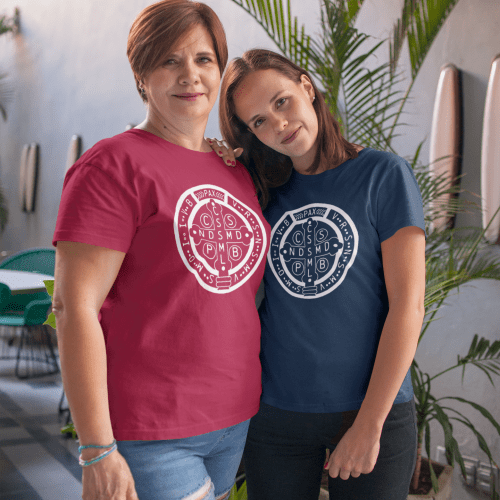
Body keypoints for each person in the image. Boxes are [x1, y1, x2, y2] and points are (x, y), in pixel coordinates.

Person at [51, 4, 270, 500]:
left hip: (234, 415)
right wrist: (97, 448)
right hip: (152, 428)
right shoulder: (112, 166)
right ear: (141, 74)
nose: (190, 75)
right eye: (170, 61)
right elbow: (73, 307)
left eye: (204, 59)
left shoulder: (233, 169)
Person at [208, 48, 426, 500]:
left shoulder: (384, 175)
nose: (278, 124)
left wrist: (369, 424)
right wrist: (210, 162)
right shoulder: (259, 190)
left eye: (281, 101)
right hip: (276, 415)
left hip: (370, 412)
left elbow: (409, 305)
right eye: (259, 122)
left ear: (306, 86)